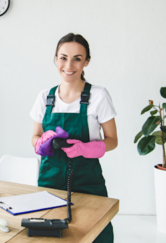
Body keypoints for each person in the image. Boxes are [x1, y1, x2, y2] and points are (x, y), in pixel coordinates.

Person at [30, 33, 118, 242]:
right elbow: (35, 136)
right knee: (50, 235)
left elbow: (112, 140)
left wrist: (86, 149)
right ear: (56, 59)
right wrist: (41, 144)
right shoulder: (45, 97)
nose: (69, 65)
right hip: (50, 178)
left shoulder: (98, 95)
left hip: (88, 180)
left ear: (86, 62)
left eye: (77, 58)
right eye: (63, 57)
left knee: (96, 232)